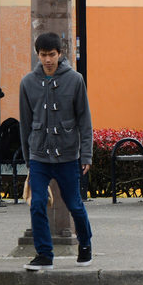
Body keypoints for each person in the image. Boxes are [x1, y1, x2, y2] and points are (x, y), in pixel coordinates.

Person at [19, 32, 94, 271]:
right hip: (39, 155)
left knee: (74, 205)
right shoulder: (28, 82)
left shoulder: (75, 80)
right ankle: (44, 254)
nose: (48, 59)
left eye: (52, 54)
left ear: (60, 54)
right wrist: (28, 159)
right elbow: (25, 122)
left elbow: (85, 120)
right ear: (37, 55)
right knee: (37, 203)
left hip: (68, 155)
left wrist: (87, 155)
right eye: (43, 55)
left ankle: (85, 246)